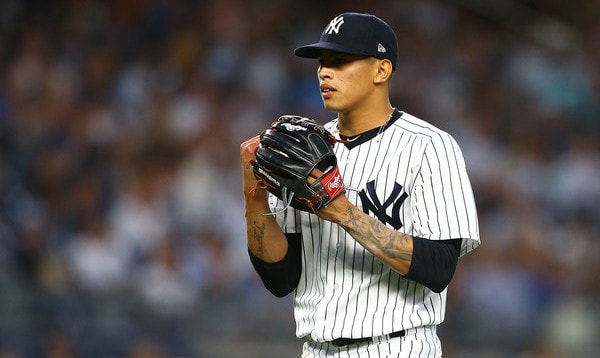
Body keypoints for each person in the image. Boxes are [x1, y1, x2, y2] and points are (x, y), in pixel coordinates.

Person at [240, 12, 480, 358]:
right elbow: (281, 279)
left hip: (396, 346)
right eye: (323, 63)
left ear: (381, 70)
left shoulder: (429, 145)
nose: (324, 71)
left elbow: (439, 267)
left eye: (341, 61)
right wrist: (254, 194)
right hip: (316, 349)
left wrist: (342, 211)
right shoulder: (306, 150)